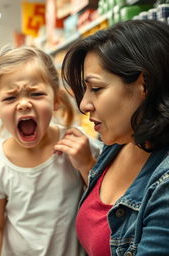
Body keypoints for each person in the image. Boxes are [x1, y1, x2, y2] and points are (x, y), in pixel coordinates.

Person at [0, 46, 102, 256]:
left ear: (56, 99)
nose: (23, 104)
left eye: (36, 93)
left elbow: (106, 202)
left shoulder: (77, 146)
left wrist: (86, 164)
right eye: (10, 98)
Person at [56, 19, 169, 255]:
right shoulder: (119, 142)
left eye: (96, 88)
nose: (84, 104)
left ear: (144, 85)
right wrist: (87, 166)